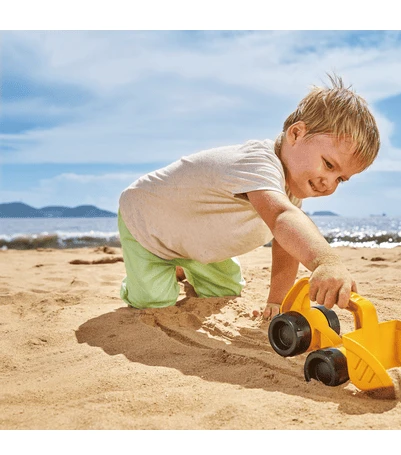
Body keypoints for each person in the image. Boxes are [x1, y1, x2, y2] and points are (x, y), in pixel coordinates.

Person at [117, 74, 380, 320]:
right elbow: (282, 218)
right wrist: (326, 261)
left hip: (195, 239)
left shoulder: (288, 191)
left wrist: (277, 302)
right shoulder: (257, 163)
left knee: (225, 291)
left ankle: (183, 265)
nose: (329, 183)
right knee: (154, 301)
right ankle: (145, 276)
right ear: (296, 134)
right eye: (329, 165)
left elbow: (286, 243)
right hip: (148, 224)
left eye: (340, 179)